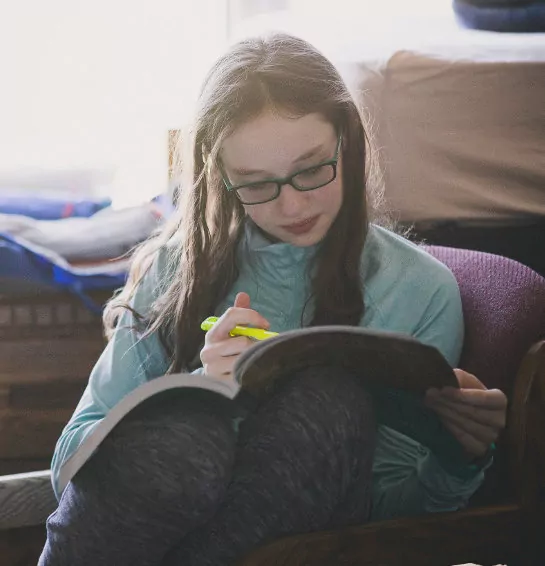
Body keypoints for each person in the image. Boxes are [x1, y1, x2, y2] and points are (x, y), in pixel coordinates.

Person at [39, 33, 508, 566]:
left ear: (347, 142)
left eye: (311, 169)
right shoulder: (178, 267)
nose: (291, 204)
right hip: (133, 533)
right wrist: (197, 391)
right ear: (223, 180)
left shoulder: (419, 290)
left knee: (328, 398)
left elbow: (390, 514)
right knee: (186, 436)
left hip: (302, 534)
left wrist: (457, 457)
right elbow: (69, 465)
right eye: (256, 184)